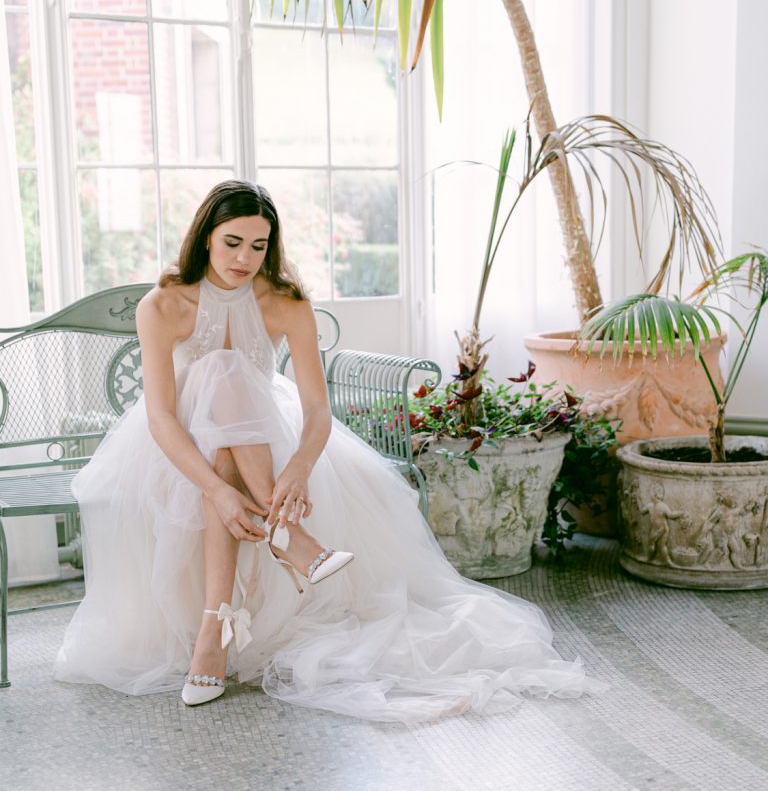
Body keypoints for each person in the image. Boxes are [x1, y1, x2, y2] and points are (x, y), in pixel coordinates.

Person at [55, 180, 599, 723]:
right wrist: (216, 490)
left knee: (230, 411)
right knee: (220, 392)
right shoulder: (164, 304)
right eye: (232, 243)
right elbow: (160, 417)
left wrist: (298, 468)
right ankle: (286, 537)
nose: (245, 258)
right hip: (182, 453)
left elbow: (317, 410)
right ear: (204, 239)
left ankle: (213, 630)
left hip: (267, 441)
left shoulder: (285, 302)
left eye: (259, 246)